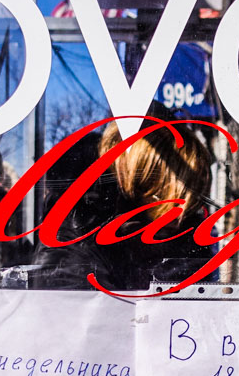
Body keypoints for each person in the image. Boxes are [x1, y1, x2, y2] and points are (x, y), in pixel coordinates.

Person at [32, 103, 214, 291]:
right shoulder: (81, 238)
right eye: (168, 195)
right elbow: (68, 300)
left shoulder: (183, 247)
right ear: (139, 186)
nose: (182, 213)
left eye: (191, 202)